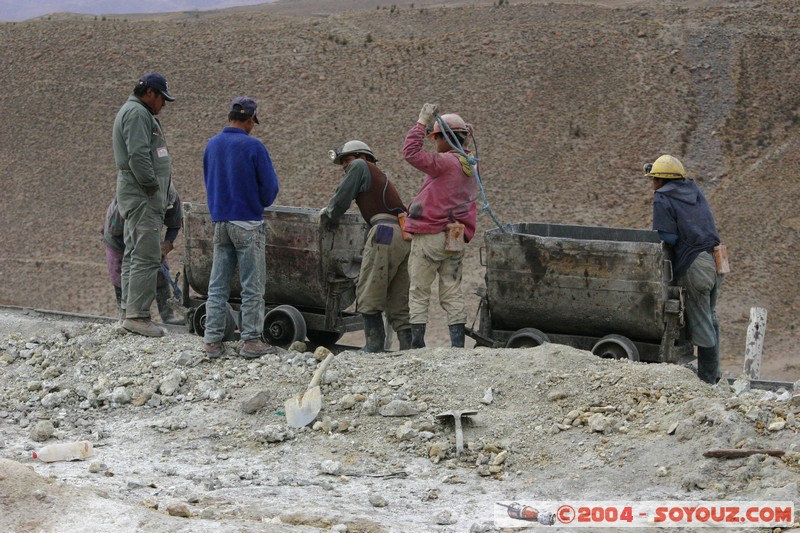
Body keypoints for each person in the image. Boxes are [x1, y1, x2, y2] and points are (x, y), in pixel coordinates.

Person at [202, 97, 280, 359]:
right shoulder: (254, 147)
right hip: (247, 222)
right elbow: (270, 190)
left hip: (220, 221)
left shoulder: (211, 145)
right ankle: (251, 340)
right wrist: (255, 201)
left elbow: (208, 179)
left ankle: (212, 341)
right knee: (252, 284)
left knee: (217, 285)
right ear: (249, 120)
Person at [319, 140, 412, 352]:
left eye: (347, 160)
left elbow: (342, 198)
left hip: (384, 232)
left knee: (369, 286)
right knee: (399, 296)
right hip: (404, 236)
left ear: (363, 157)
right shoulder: (377, 177)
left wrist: (329, 213)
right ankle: (409, 350)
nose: (345, 166)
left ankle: (374, 345)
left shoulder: (360, 166)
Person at [402, 103, 478, 349]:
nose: (435, 143)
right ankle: (457, 347)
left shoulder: (445, 163)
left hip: (431, 234)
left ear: (446, 138)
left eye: (437, 138)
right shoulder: (471, 164)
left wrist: (421, 123)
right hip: (455, 235)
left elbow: (411, 153)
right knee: (452, 289)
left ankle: (417, 345)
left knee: (419, 289)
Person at [647, 154, 724, 384]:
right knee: (710, 316)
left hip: (695, 264)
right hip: (716, 259)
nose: (652, 184)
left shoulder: (662, 197)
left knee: (701, 320)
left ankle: (708, 380)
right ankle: (716, 374)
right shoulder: (693, 189)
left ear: (662, 180)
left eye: (654, 179)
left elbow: (668, 236)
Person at [112, 72, 176, 337]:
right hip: (142, 197)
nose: (163, 104)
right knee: (147, 256)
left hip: (137, 195)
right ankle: (137, 317)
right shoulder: (137, 114)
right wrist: (152, 187)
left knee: (133, 254)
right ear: (150, 93)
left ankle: (130, 312)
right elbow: (139, 155)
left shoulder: (137, 112)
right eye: (162, 98)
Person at [102, 184, 184, 326]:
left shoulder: (171, 196)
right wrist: (142, 251)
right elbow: (115, 231)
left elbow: (174, 224)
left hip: (148, 232)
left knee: (160, 272)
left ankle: (167, 316)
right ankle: (125, 315)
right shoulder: (127, 200)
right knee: (121, 274)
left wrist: (166, 244)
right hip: (119, 241)